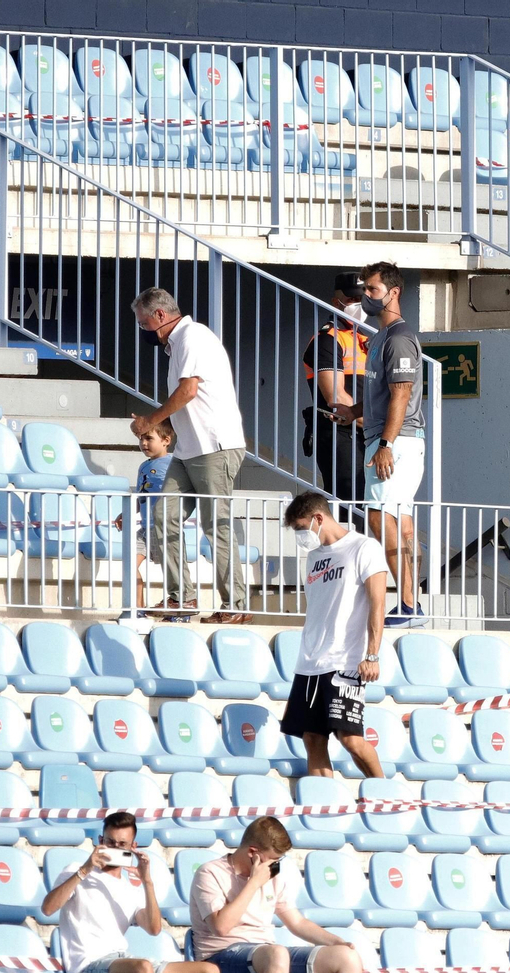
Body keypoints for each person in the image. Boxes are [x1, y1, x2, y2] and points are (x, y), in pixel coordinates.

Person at [130, 287, 250, 625]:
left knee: (216, 527)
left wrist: (149, 422)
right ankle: (181, 597)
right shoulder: (180, 343)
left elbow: (188, 391)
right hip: (189, 450)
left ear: (160, 316)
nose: (143, 331)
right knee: (162, 516)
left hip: (214, 447)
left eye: (143, 324)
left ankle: (236, 604)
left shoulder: (191, 337)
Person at [331, 262, 425, 628]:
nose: (366, 297)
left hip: (395, 442)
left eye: (372, 290)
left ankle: (406, 603)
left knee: (378, 516)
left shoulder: (399, 337)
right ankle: (409, 603)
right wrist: (352, 410)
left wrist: (385, 442)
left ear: (393, 292)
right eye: (365, 290)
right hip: (390, 439)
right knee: (399, 523)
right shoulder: (380, 337)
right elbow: (385, 394)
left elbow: (402, 394)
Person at [278, 492, 389, 779]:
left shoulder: (364, 547)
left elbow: (377, 603)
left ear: (319, 518)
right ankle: (325, 809)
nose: (301, 536)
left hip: (345, 661)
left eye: (302, 529)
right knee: (312, 739)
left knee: (350, 739)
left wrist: (372, 655)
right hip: (310, 663)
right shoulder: (313, 557)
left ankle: (386, 793)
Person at [42, 812, 214, 973]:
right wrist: (85, 870)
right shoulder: (76, 871)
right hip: (88, 963)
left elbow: (154, 929)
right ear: (100, 841)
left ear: (133, 846)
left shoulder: (131, 889)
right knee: (142, 967)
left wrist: (147, 882)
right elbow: (48, 909)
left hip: (122, 959)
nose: (116, 848)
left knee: (208, 970)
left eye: (122, 844)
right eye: (110, 842)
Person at [189, 817, 363, 973]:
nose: (276, 865)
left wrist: (336, 942)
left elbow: (297, 922)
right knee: (277, 954)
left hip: (265, 953)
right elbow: (221, 927)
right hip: (221, 955)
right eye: (273, 859)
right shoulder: (210, 873)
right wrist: (254, 883)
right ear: (252, 853)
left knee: (346, 957)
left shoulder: (274, 878)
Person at [301, 273, 369, 509]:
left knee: (369, 507)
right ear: (335, 301)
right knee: (349, 508)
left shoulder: (365, 339)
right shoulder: (327, 339)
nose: (357, 305)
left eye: (362, 298)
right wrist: (378, 424)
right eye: (350, 299)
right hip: (340, 434)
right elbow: (337, 398)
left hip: (366, 434)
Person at [116, 421, 173, 611]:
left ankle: (179, 604)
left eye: (149, 438)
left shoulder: (173, 464)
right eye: (141, 439)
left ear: (166, 440)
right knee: (130, 564)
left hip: (164, 527)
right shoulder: (143, 466)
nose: (144, 443)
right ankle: (137, 609)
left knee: (172, 570)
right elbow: (141, 494)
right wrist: (126, 512)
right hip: (145, 529)